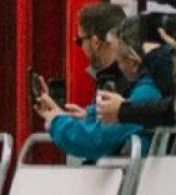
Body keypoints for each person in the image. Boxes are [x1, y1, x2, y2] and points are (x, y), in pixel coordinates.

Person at [40, 13, 161, 161]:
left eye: (120, 61)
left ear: (133, 62)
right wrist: (89, 116)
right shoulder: (152, 86)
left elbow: (97, 139)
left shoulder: (149, 92)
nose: (120, 68)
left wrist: (56, 122)